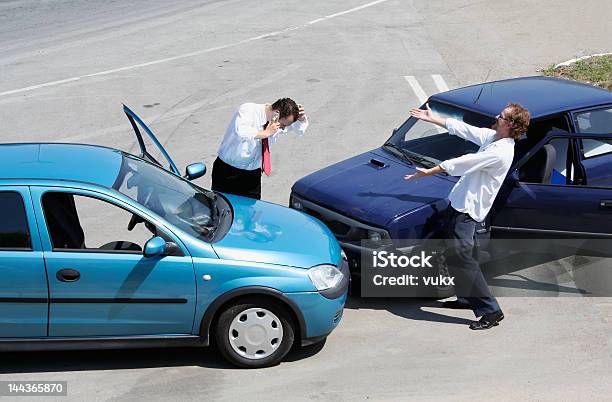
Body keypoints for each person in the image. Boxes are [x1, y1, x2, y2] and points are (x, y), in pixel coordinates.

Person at [405, 102, 530, 330]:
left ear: (510, 124)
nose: (496, 116)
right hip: (459, 204)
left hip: (467, 211)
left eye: (501, 116)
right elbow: (465, 129)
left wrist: (431, 171)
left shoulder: (500, 152)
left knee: (462, 259)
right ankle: (465, 298)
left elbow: (465, 162)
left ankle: (491, 311)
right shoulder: (493, 138)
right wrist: (433, 118)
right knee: (456, 256)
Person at [212, 98, 308, 200]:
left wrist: (302, 119)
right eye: (283, 125)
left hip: (252, 176)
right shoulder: (248, 110)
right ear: (276, 113)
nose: (283, 128)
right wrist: (266, 133)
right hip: (227, 172)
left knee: (252, 211)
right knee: (221, 209)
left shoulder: (276, 123)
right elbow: (241, 131)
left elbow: (300, 130)